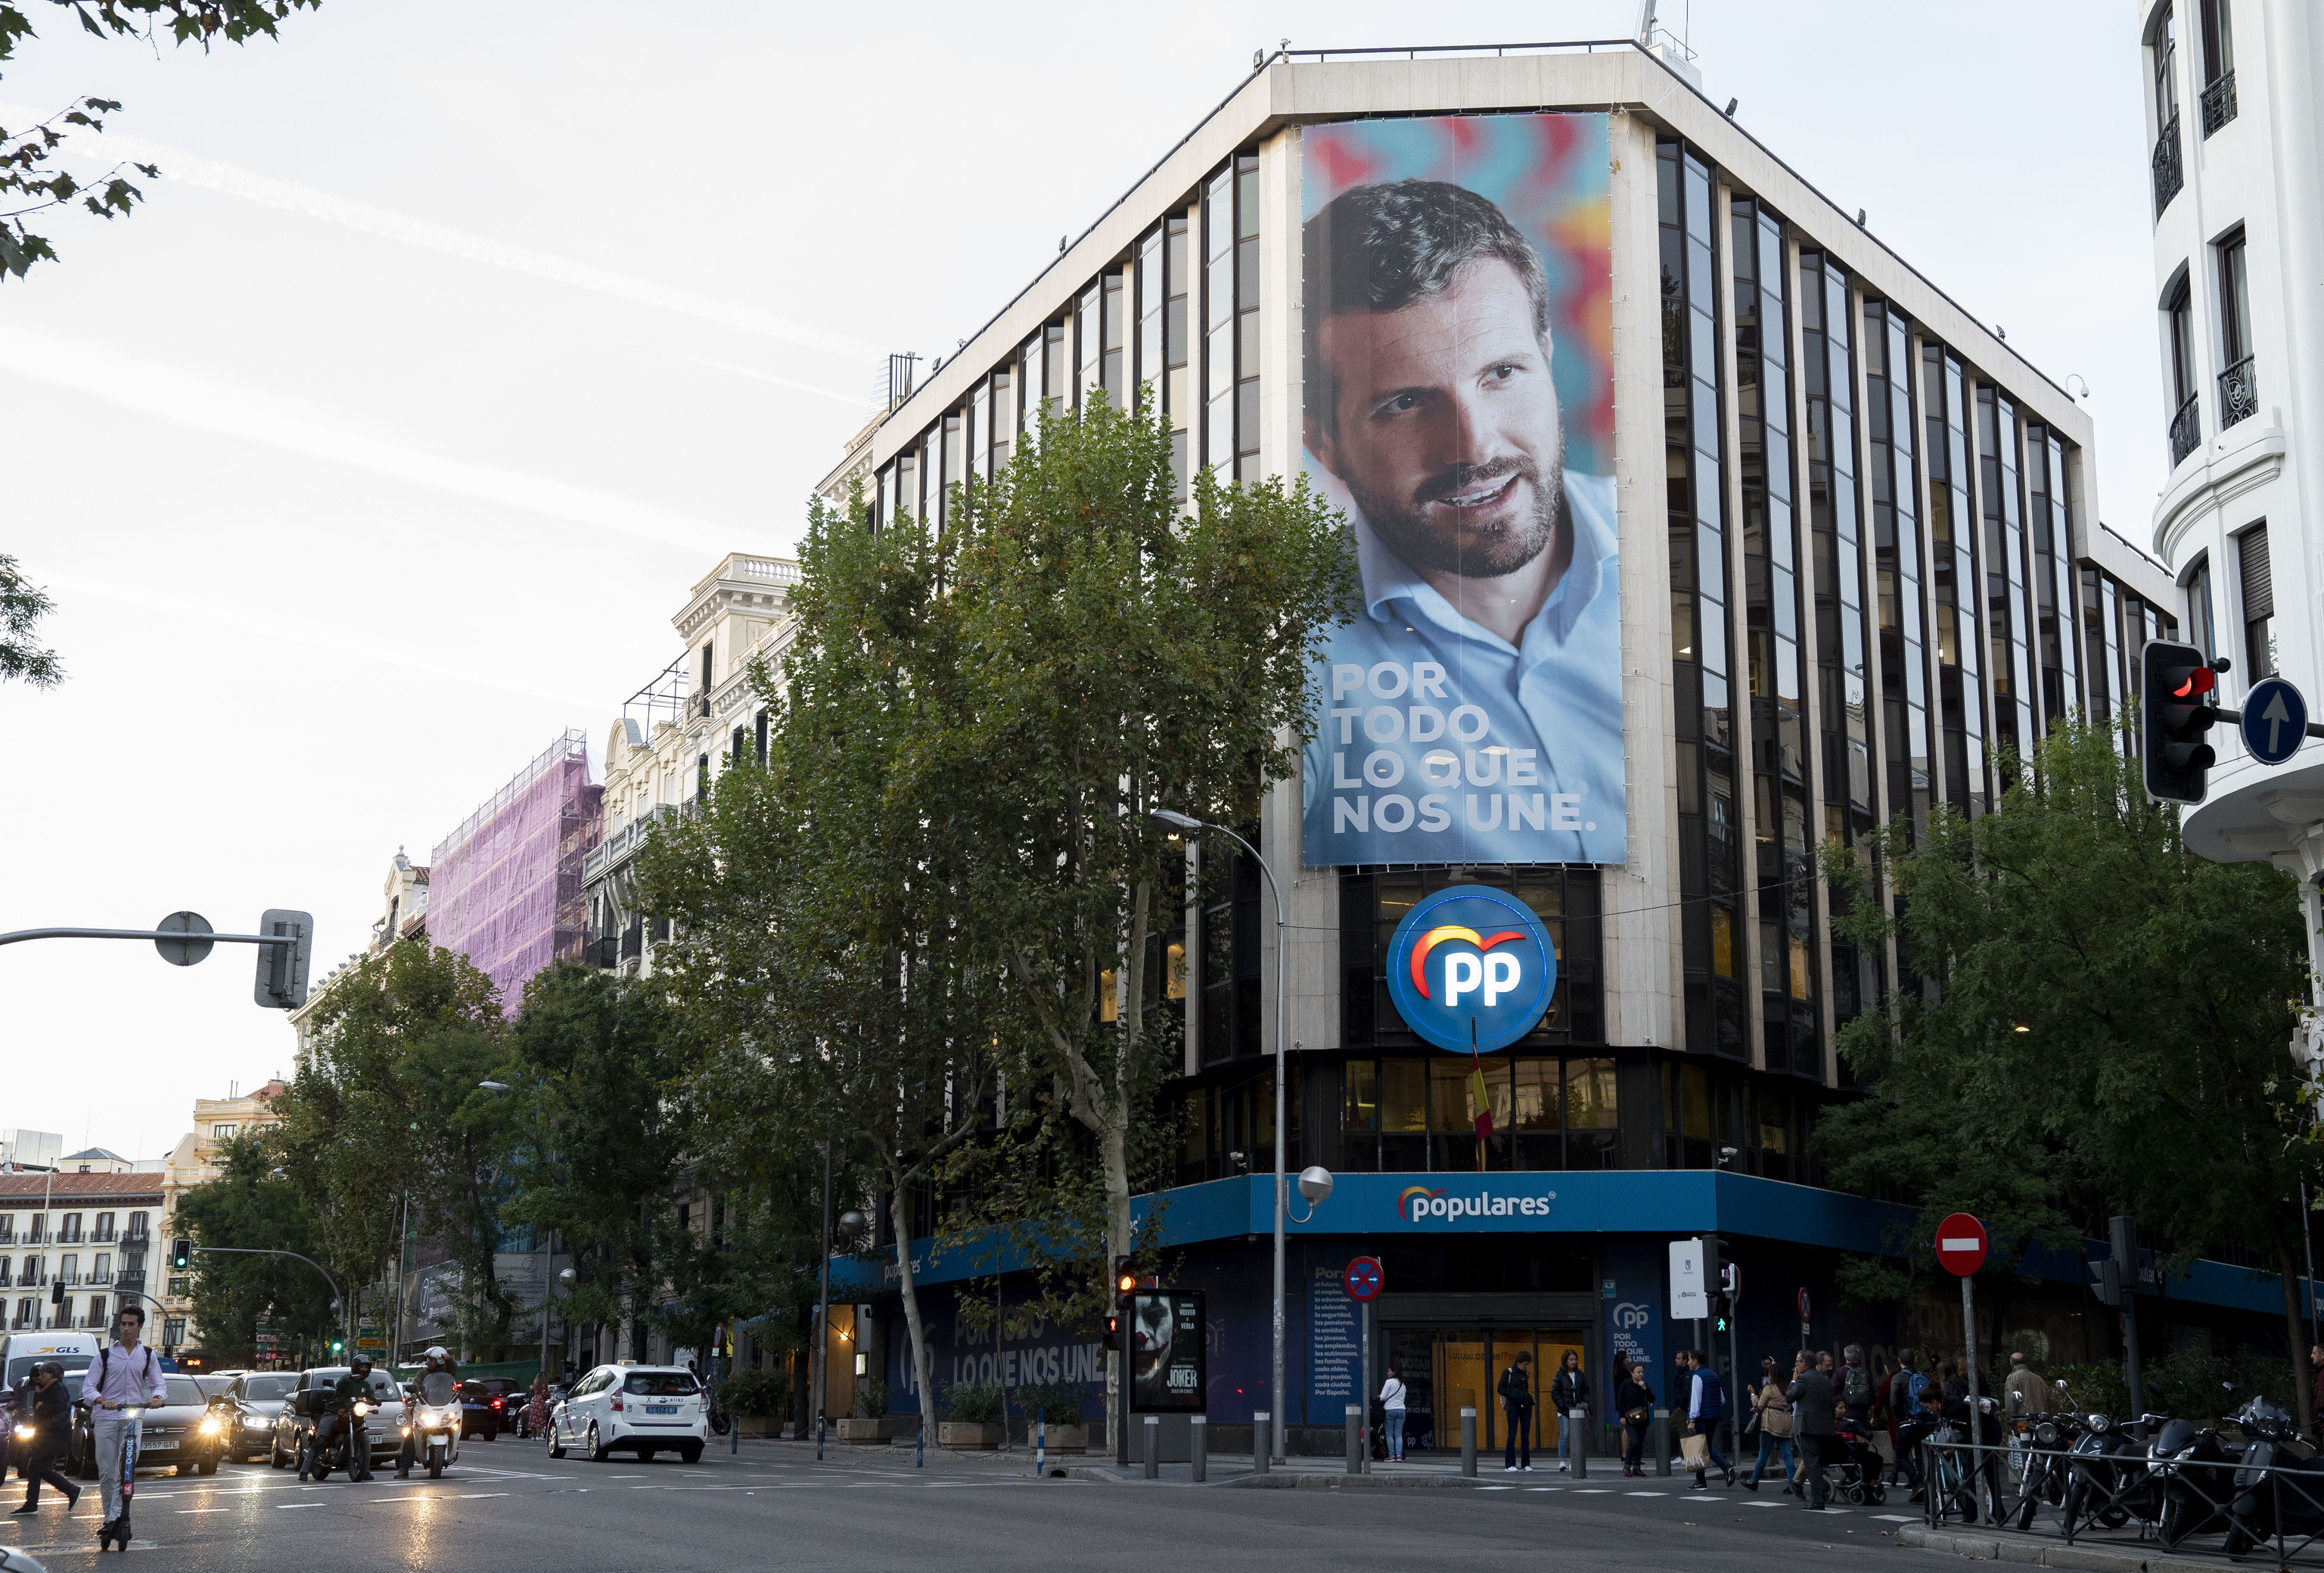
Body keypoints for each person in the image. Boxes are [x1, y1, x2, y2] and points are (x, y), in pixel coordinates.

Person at [1298, 176, 1624, 868]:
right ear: (1325, 445)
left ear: (1548, 358)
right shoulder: (1293, 647)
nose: (1475, 449)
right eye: (1407, 402)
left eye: (1502, 373)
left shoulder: (1667, 562)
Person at [85, 1304, 166, 1543]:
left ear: (140, 1326)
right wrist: (102, 1399)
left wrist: (157, 1398)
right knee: (107, 1472)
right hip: (107, 1418)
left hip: (133, 1419)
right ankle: (110, 1518)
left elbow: (159, 1384)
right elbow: (88, 1387)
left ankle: (117, 1517)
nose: (126, 1329)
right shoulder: (105, 1355)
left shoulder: (148, 1355)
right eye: (123, 1324)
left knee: (126, 1471)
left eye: (131, 1324)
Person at [10, 1362, 78, 1516]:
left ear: (51, 1375)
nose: (40, 1376)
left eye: (43, 1373)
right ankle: (31, 1504)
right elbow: (31, 1382)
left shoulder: (56, 1388)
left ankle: (72, 1490)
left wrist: (42, 1408)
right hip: (45, 1435)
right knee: (33, 1469)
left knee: (40, 1468)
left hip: (51, 1435)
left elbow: (60, 1408)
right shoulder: (45, 1388)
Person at [396, 1346, 458, 1479]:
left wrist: (449, 1359)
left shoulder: (447, 1371)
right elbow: (417, 1385)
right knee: (411, 1434)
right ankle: (404, 1468)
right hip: (425, 1406)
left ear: (440, 1360)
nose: (428, 1362)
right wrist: (414, 1394)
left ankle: (452, 1447)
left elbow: (453, 1369)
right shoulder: (422, 1373)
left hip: (444, 1408)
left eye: (431, 1359)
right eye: (428, 1359)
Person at [1788, 1349, 1838, 1509]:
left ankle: (1817, 1500)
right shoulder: (1825, 1381)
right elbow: (1831, 1406)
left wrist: (1794, 1381)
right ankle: (1821, 1495)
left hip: (1808, 1427)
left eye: (1797, 1361)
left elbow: (1789, 1397)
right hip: (1825, 1427)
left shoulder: (1803, 1379)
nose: (1795, 1364)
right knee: (1818, 1463)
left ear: (1803, 1364)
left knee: (1812, 1464)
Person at [1679, 1350, 1732, 1490]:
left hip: (1702, 1418)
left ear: (1695, 1361)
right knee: (1706, 1447)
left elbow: (1696, 1399)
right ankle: (1726, 1468)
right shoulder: (1713, 1376)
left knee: (1699, 1448)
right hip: (1714, 1416)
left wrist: (1692, 1419)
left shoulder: (1697, 1376)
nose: (1688, 1362)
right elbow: (1721, 1399)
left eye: (1690, 1360)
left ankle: (1701, 1480)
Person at [1742, 1356, 1794, 1494]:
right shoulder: (1787, 1387)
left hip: (1771, 1424)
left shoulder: (1769, 1388)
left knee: (1764, 1453)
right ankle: (1792, 1484)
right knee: (1787, 1454)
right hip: (1786, 1422)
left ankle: (1754, 1481)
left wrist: (1753, 1394)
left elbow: (1759, 1407)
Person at [1615, 1357, 1656, 1478]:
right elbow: (1620, 1402)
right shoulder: (1626, 1385)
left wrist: (1644, 1388)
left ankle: (1637, 1467)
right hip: (1630, 1419)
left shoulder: (1644, 1385)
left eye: (1642, 1372)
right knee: (1634, 1441)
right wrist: (1622, 1417)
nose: (1641, 1374)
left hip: (1642, 1418)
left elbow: (1652, 1399)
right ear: (1632, 1373)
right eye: (1638, 1372)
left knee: (1640, 1444)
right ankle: (1627, 1465)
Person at [1549, 1350, 1587, 1475]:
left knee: (1577, 1436)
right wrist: (1563, 1406)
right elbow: (1554, 1392)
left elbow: (1587, 1390)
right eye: (1571, 1360)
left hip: (1578, 1410)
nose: (1573, 1362)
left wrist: (1583, 1402)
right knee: (1565, 1433)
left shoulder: (1581, 1375)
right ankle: (1562, 1461)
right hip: (1564, 1410)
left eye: (1575, 1359)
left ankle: (1575, 1461)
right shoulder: (1560, 1375)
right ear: (1565, 1361)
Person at [1497, 1350, 1536, 1472]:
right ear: (1518, 1363)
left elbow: (1524, 1390)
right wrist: (1512, 1396)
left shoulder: (1526, 1374)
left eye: (1527, 1364)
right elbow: (1500, 1388)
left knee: (1525, 1436)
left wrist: (1529, 1399)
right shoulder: (1509, 1372)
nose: (1526, 1366)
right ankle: (1509, 1464)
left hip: (1525, 1406)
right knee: (1512, 1434)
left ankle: (1526, 1463)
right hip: (1513, 1406)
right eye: (1525, 1364)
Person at [1379, 1365, 1409, 1463]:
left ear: (1394, 1372)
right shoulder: (1402, 1384)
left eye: (1389, 1371)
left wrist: (1379, 1396)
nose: (1388, 1373)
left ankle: (1392, 1456)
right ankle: (1399, 1455)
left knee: (1389, 1434)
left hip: (1390, 1409)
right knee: (1398, 1434)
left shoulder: (1389, 1382)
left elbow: (1383, 1397)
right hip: (1401, 1409)